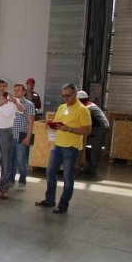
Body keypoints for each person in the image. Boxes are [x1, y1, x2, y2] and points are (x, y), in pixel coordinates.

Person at [35, 83, 91, 213]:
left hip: (71, 148)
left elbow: (87, 130)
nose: (65, 98)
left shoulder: (83, 110)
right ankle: (50, 199)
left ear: (75, 94)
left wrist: (69, 129)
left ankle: (63, 204)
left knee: (67, 177)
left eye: (68, 95)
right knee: (50, 172)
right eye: (63, 96)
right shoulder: (61, 107)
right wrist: (51, 124)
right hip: (58, 145)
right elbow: (58, 123)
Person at [9, 83, 35, 191]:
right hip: (10, 135)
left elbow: (31, 123)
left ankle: (22, 181)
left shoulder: (29, 104)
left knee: (21, 160)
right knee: (11, 160)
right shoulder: (10, 103)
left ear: (24, 92)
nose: (16, 92)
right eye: (14, 90)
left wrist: (28, 137)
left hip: (22, 135)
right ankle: (10, 180)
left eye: (18, 90)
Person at [77, 90, 109, 175]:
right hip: (98, 127)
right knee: (89, 147)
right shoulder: (90, 104)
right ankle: (87, 166)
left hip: (100, 128)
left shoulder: (87, 108)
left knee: (94, 149)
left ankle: (91, 170)